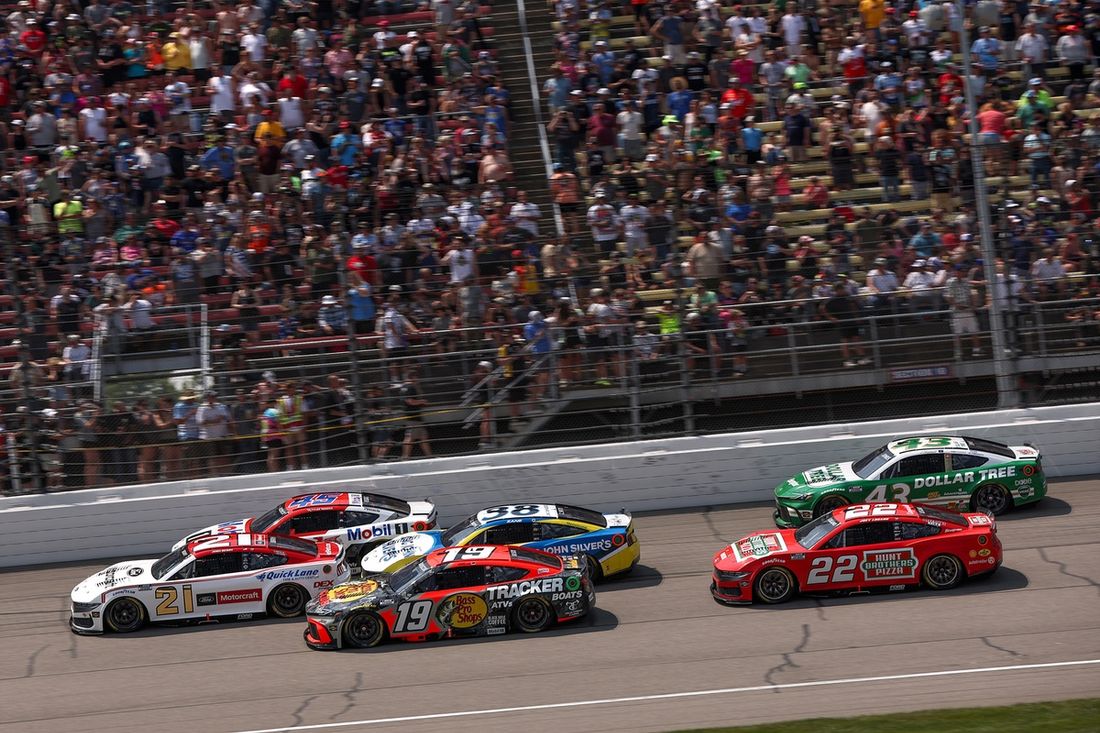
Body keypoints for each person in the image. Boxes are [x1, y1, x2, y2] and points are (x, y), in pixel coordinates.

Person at [821, 282, 871, 368]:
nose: (843, 290)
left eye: (843, 288)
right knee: (845, 342)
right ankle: (847, 360)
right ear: (837, 290)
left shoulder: (848, 297)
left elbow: (854, 307)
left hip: (853, 322)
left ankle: (862, 358)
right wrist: (831, 318)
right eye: (841, 289)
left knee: (856, 339)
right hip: (843, 323)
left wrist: (857, 318)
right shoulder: (832, 300)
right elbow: (822, 308)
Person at [944, 263, 982, 358]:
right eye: (960, 271)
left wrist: (973, 305)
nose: (962, 273)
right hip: (957, 311)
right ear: (956, 272)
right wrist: (957, 305)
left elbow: (971, 294)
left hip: (968, 309)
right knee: (957, 333)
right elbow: (948, 296)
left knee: (974, 331)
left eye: (963, 271)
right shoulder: (950, 282)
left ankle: (977, 350)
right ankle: (958, 352)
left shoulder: (966, 281)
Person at [197, 390, 234, 477]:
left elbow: (226, 418)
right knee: (213, 458)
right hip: (209, 437)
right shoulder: (202, 408)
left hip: (222, 435)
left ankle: (225, 475)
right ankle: (215, 476)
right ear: (207, 398)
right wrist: (213, 421)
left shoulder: (220, 406)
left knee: (224, 456)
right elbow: (201, 422)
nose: (214, 398)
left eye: (214, 397)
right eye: (212, 397)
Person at [398, 369, 431, 459]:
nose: (418, 379)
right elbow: (410, 401)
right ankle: (405, 457)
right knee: (410, 437)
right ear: (413, 377)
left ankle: (429, 456)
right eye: (417, 377)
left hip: (412, 415)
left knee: (423, 437)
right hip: (413, 416)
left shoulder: (403, 387)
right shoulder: (410, 387)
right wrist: (422, 401)